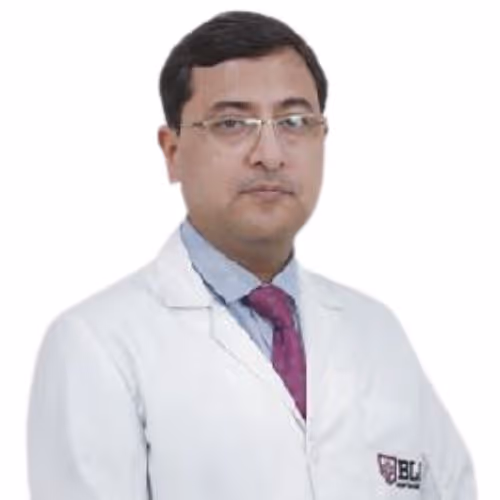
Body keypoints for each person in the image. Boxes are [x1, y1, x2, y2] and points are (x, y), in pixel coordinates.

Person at [27, 10, 476, 500]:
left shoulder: (377, 332)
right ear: (172, 151)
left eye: (295, 121)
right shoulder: (96, 346)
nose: (270, 154)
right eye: (232, 123)